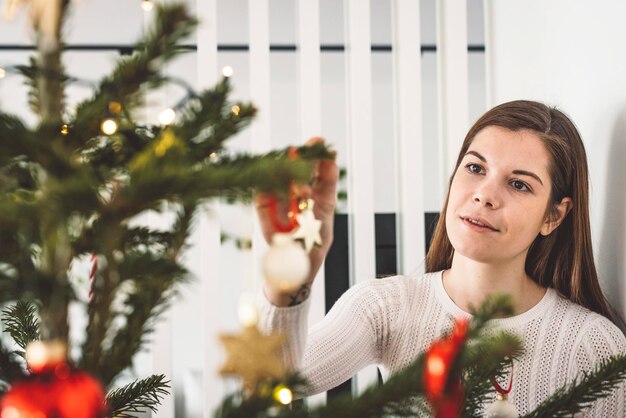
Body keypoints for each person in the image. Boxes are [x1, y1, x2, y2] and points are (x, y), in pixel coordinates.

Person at [255, 100, 626, 416]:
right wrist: (291, 272)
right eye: (475, 168)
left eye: (518, 184)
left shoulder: (593, 346)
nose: (484, 195)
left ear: (554, 216)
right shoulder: (388, 307)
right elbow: (279, 379)